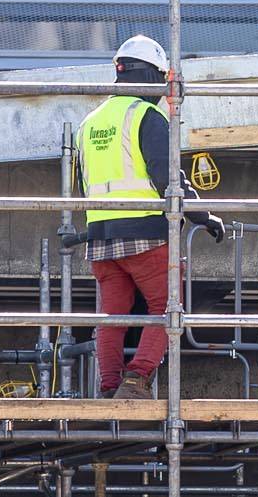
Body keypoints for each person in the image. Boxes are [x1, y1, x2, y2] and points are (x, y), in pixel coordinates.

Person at [76, 35, 222, 400]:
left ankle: (109, 387)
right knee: (166, 307)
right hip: (147, 235)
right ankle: (137, 379)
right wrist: (203, 216)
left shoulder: (89, 122)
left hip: (100, 237)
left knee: (113, 317)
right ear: (152, 76)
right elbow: (170, 181)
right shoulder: (147, 116)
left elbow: (82, 185)